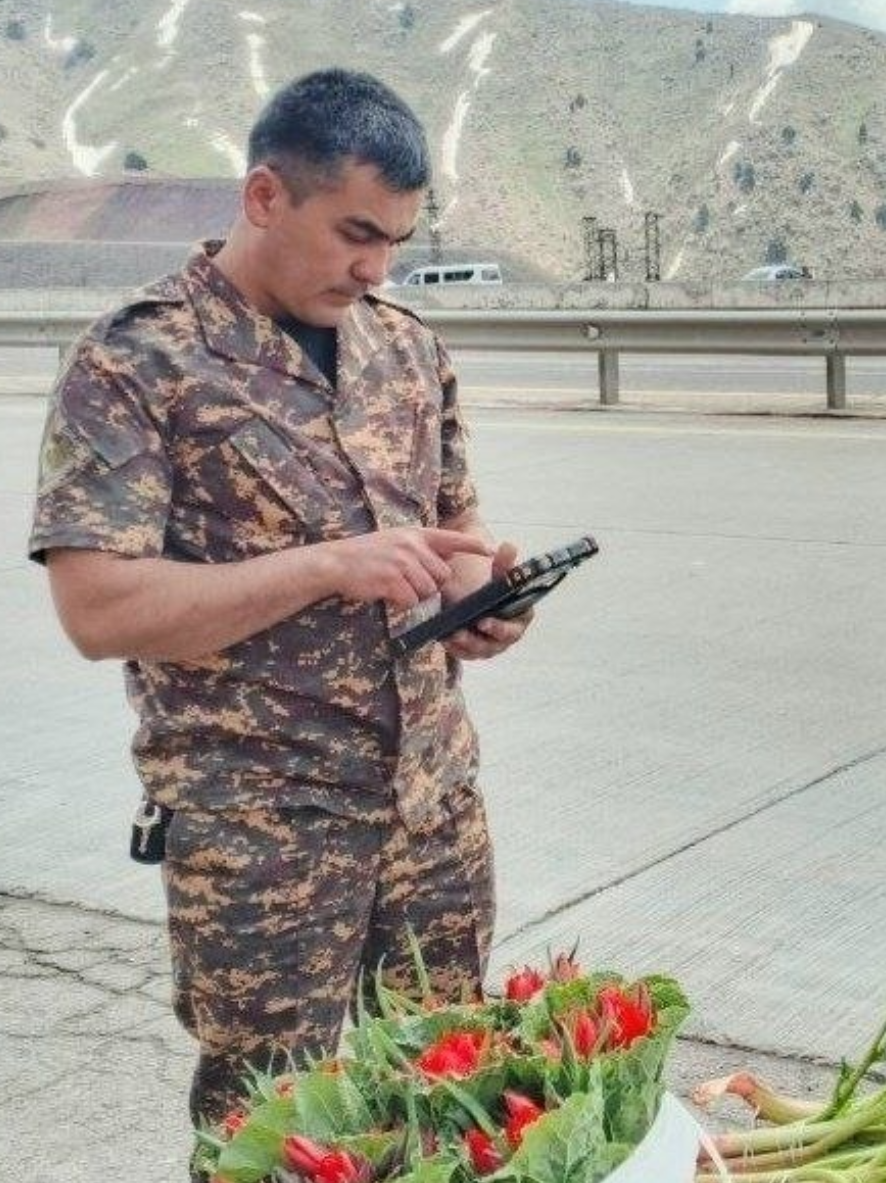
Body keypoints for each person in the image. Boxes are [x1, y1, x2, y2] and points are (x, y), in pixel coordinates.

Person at [29, 69, 534, 1147]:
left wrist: (482, 597)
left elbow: (449, 535)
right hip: (266, 836)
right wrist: (323, 566)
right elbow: (98, 605)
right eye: (356, 231)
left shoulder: (405, 350)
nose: (376, 264)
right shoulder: (137, 359)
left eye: (395, 238)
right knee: (274, 1134)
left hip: (432, 809)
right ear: (265, 197)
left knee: (453, 1112)